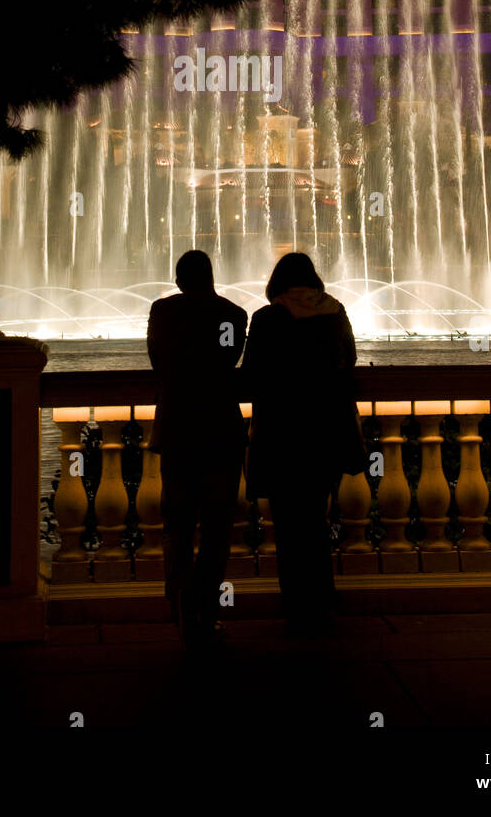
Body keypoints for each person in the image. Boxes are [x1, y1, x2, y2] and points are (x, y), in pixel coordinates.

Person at [243, 252, 366, 636]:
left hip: (283, 434)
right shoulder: (336, 312)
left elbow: (250, 377)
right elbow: (350, 360)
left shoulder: (267, 318)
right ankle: (323, 602)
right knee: (316, 519)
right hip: (327, 432)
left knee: (289, 527)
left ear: (277, 282)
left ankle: (297, 607)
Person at [146, 250, 247, 646]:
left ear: (178, 280)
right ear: (211, 276)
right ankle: (207, 609)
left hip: (178, 428)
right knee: (218, 526)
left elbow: (159, 361)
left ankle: (182, 606)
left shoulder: (163, 312)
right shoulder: (235, 314)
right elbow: (227, 361)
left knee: (179, 522)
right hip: (221, 427)